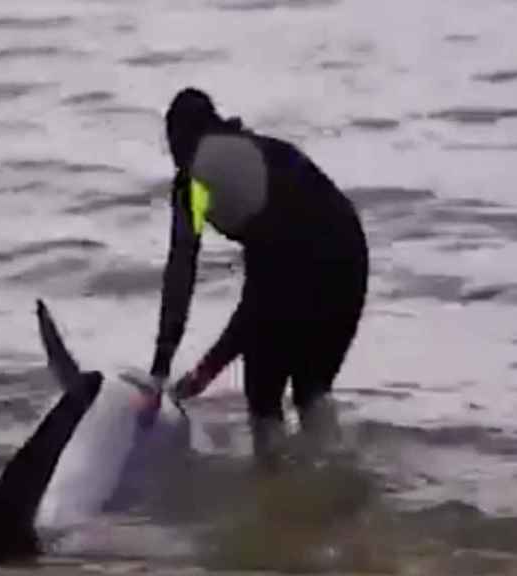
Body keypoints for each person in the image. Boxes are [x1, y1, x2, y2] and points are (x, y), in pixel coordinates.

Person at [149, 87, 369, 457]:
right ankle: (337, 483)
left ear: (177, 141)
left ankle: (276, 492)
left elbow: (182, 275)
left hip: (300, 259)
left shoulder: (194, 182)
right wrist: (206, 371)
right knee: (311, 391)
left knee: (264, 398)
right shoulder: (263, 149)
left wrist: (163, 369)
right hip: (351, 254)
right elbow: (269, 286)